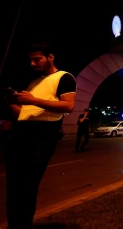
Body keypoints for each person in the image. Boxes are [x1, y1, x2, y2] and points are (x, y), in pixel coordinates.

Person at [3, 41, 77, 229]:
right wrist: (10, 101)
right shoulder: (34, 82)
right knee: (13, 188)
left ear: (50, 57)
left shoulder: (64, 77)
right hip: (20, 135)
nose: (33, 64)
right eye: (31, 60)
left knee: (27, 187)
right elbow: (23, 114)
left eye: (37, 59)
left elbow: (68, 106)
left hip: (41, 137)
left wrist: (32, 99)